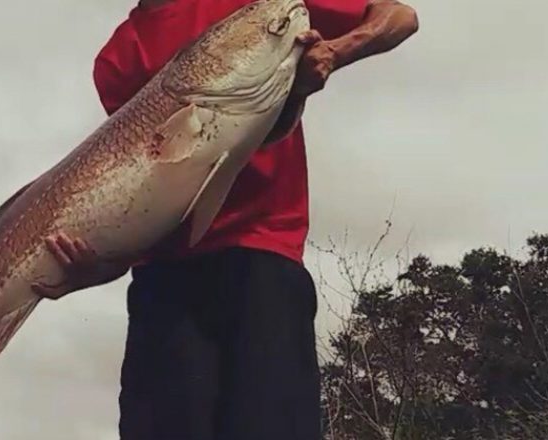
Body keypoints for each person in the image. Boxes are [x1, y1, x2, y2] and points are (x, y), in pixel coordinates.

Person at [28, 0, 419, 439]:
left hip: (263, 257)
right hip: (164, 283)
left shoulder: (260, 8)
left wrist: (337, 51)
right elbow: (144, 189)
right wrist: (95, 265)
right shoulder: (117, 58)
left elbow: (399, 16)